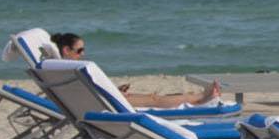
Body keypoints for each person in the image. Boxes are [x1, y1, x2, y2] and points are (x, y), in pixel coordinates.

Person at [50, 33, 223, 107]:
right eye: (79, 50)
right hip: (103, 104)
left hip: (104, 100)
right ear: (66, 50)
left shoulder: (59, 69)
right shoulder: (69, 69)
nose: (83, 54)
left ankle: (197, 98)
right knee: (154, 100)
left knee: (153, 97)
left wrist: (115, 91)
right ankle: (199, 98)